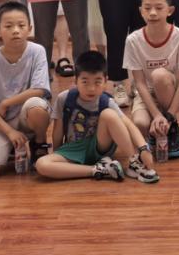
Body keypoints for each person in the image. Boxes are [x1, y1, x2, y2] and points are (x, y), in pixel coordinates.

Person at [36, 50, 160, 183]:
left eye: (97, 82)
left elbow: (129, 125)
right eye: (85, 82)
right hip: (73, 149)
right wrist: (57, 154)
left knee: (109, 115)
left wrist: (143, 148)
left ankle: (133, 162)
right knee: (42, 164)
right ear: (76, 80)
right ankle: (100, 170)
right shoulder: (64, 98)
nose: (91, 88)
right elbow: (57, 131)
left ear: (105, 81)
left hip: (99, 146)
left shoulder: (106, 102)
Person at [0, 2, 52, 178]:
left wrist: (6, 102)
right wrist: (9, 131)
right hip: (4, 122)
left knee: (37, 106)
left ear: (29, 28)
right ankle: (12, 144)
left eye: (21, 25)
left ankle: (39, 144)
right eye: (8, 26)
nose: (16, 31)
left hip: (28, 114)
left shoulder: (37, 51)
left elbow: (39, 90)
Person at [123, 0, 179, 157]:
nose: (153, 13)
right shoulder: (133, 40)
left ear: (170, 10)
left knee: (159, 75)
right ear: (141, 11)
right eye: (147, 8)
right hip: (148, 91)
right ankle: (158, 128)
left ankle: (172, 127)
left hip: (175, 87)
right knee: (140, 124)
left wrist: (169, 116)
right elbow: (140, 84)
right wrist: (156, 115)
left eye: (159, 7)